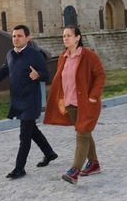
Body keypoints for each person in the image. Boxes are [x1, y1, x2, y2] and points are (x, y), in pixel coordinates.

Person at [0, 24, 58, 179]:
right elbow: (5, 70)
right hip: (17, 100)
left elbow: (47, 75)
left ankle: (19, 168)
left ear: (27, 38)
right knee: (32, 130)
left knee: (24, 134)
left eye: (19, 36)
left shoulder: (35, 55)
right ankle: (49, 153)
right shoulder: (10, 54)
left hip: (31, 101)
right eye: (14, 36)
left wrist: (38, 75)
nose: (16, 39)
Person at [44, 26, 106, 185]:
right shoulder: (63, 57)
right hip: (70, 103)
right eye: (63, 36)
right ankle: (94, 164)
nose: (65, 38)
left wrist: (93, 96)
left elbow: (100, 76)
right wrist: (61, 99)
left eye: (69, 35)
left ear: (78, 37)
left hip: (87, 104)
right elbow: (62, 80)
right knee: (84, 133)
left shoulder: (89, 56)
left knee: (81, 135)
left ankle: (74, 171)